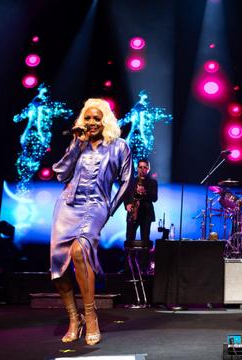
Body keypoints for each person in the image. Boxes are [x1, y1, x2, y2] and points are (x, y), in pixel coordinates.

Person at [50, 98, 132, 345]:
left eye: (97, 118)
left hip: (96, 205)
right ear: (82, 121)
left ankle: (90, 314)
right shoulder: (78, 143)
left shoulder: (119, 146)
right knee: (58, 264)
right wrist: (77, 143)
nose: (92, 122)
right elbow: (61, 174)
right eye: (88, 118)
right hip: (67, 206)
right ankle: (74, 319)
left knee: (80, 251)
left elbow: (126, 182)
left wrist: (109, 209)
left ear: (105, 120)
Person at [125, 159, 158, 244]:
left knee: (145, 241)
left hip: (146, 214)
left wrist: (145, 192)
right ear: (137, 168)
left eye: (144, 167)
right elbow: (125, 195)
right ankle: (129, 257)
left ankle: (144, 257)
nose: (142, 169)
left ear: (148, 169)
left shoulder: (153, 182)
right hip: (133, 213)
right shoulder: (131, 181)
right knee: (129, 240)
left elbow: (154, 198)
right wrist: (127, 205)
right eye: (140, 167)